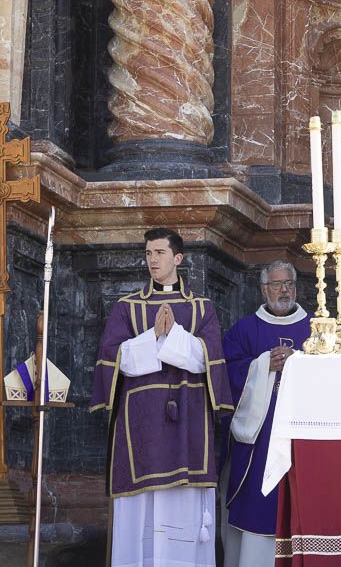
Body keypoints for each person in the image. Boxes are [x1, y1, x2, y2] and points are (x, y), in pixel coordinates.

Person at [90, 228, 233, 567]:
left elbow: (208, 359)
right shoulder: (127, 308)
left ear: (178, 258)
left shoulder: (201, 308)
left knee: (181, 514)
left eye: (159, 252)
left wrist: (174, 337)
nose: (152, 259)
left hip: (187, 422)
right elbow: (116, 360)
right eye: (148, 253)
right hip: (140, 425)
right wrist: (154, 336)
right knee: (140, 516)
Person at [221, 261, 311, 566]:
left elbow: (333, 370)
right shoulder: (245, 329)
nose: (284, 290)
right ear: (263, 289)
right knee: (258, 504)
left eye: (289, 283)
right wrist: (263, 365)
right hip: (260, 438)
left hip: (301, 432)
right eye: (277, 284)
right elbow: (226, 372)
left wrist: (298, 361)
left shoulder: (316, 328)